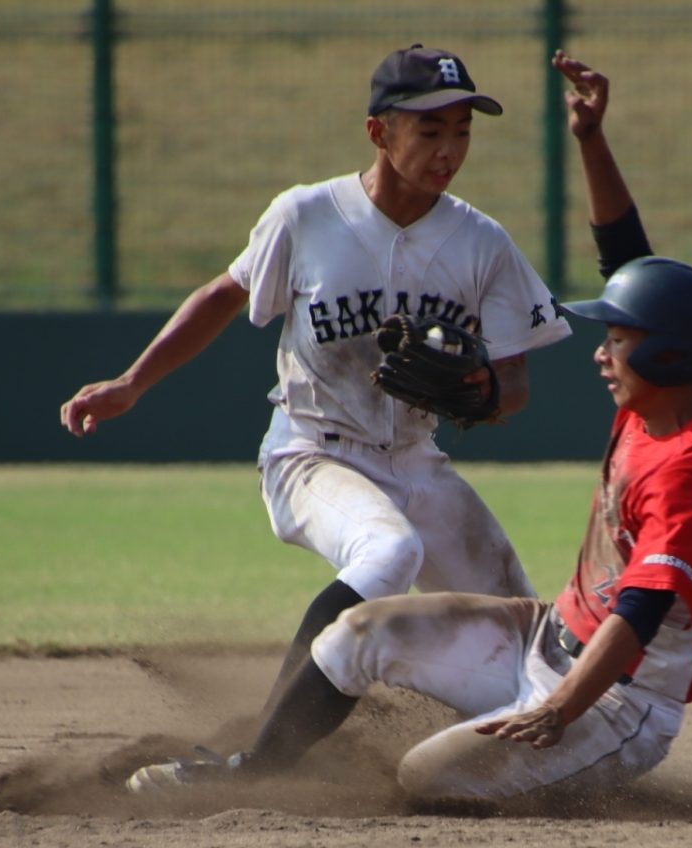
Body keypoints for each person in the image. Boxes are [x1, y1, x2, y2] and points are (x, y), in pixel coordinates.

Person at [127, 52, 692, 803]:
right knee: (385, 570)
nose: (601, 350)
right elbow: (636, 271)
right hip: (348, 475)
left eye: (617, 339)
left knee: (429, 772)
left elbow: (642, 613)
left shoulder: (683, 465)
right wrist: (589, 141)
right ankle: (257, 765)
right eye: (430, 129)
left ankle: (553, 750)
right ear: (378, 133)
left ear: (666, 353)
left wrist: (556, 710)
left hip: (612, 691)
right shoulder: (668, 389)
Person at [60, 45, 571, 712]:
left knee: (524, 625)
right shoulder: (306, 216)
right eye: (430, 129)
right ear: (378, 132)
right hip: (312, 452)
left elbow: (515, 383)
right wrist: (132, 383)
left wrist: (481, 396)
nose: (450, 149)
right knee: (390, 554)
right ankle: (270, 743)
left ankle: (514, 747)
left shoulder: (484, 244)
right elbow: (224, 294)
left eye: (463, 131)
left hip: (418, 462)